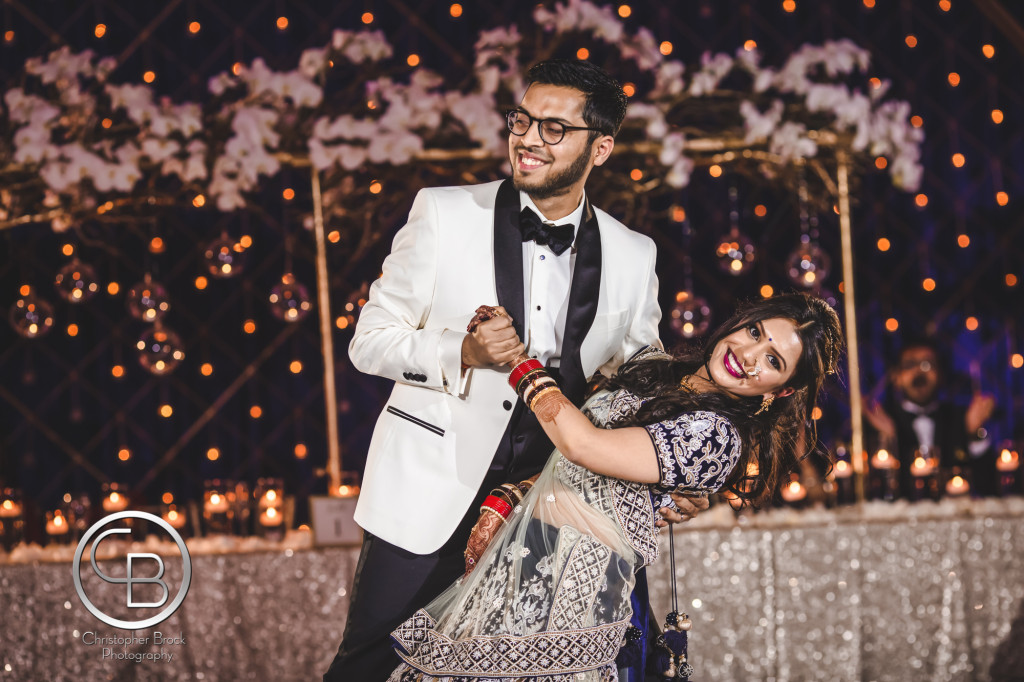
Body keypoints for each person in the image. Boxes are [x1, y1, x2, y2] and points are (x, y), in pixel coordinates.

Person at [324, 59, 705, 682]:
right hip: (430, 489)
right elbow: (369, 342)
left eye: (554, 128)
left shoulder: (635, 255)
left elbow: (643, 384)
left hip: (550, 501)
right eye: (522, 119)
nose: (528, 137)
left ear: (600, 147)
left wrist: (672, 470)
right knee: (369, 668)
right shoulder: (443, 213)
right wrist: (462, 353)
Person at [386, 293, 844, 682]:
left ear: (780, 391)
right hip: (516, 564)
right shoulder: (656, 368)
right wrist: (518, 493)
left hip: (571, 594)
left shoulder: (716, 436)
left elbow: (584, 445)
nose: (748, 355)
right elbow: (583, 469)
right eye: (756, 332)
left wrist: (515, 359)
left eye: (772, 361)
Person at [863, 338, 996, 498]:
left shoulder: (961, 417)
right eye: (910, 365)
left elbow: (989, 486)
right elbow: (874, 493)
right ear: (897, 378)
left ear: (940, 375)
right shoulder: (882, 420)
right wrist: (889, 439)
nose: (919, 372)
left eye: (927, 364)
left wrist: (973, 433)